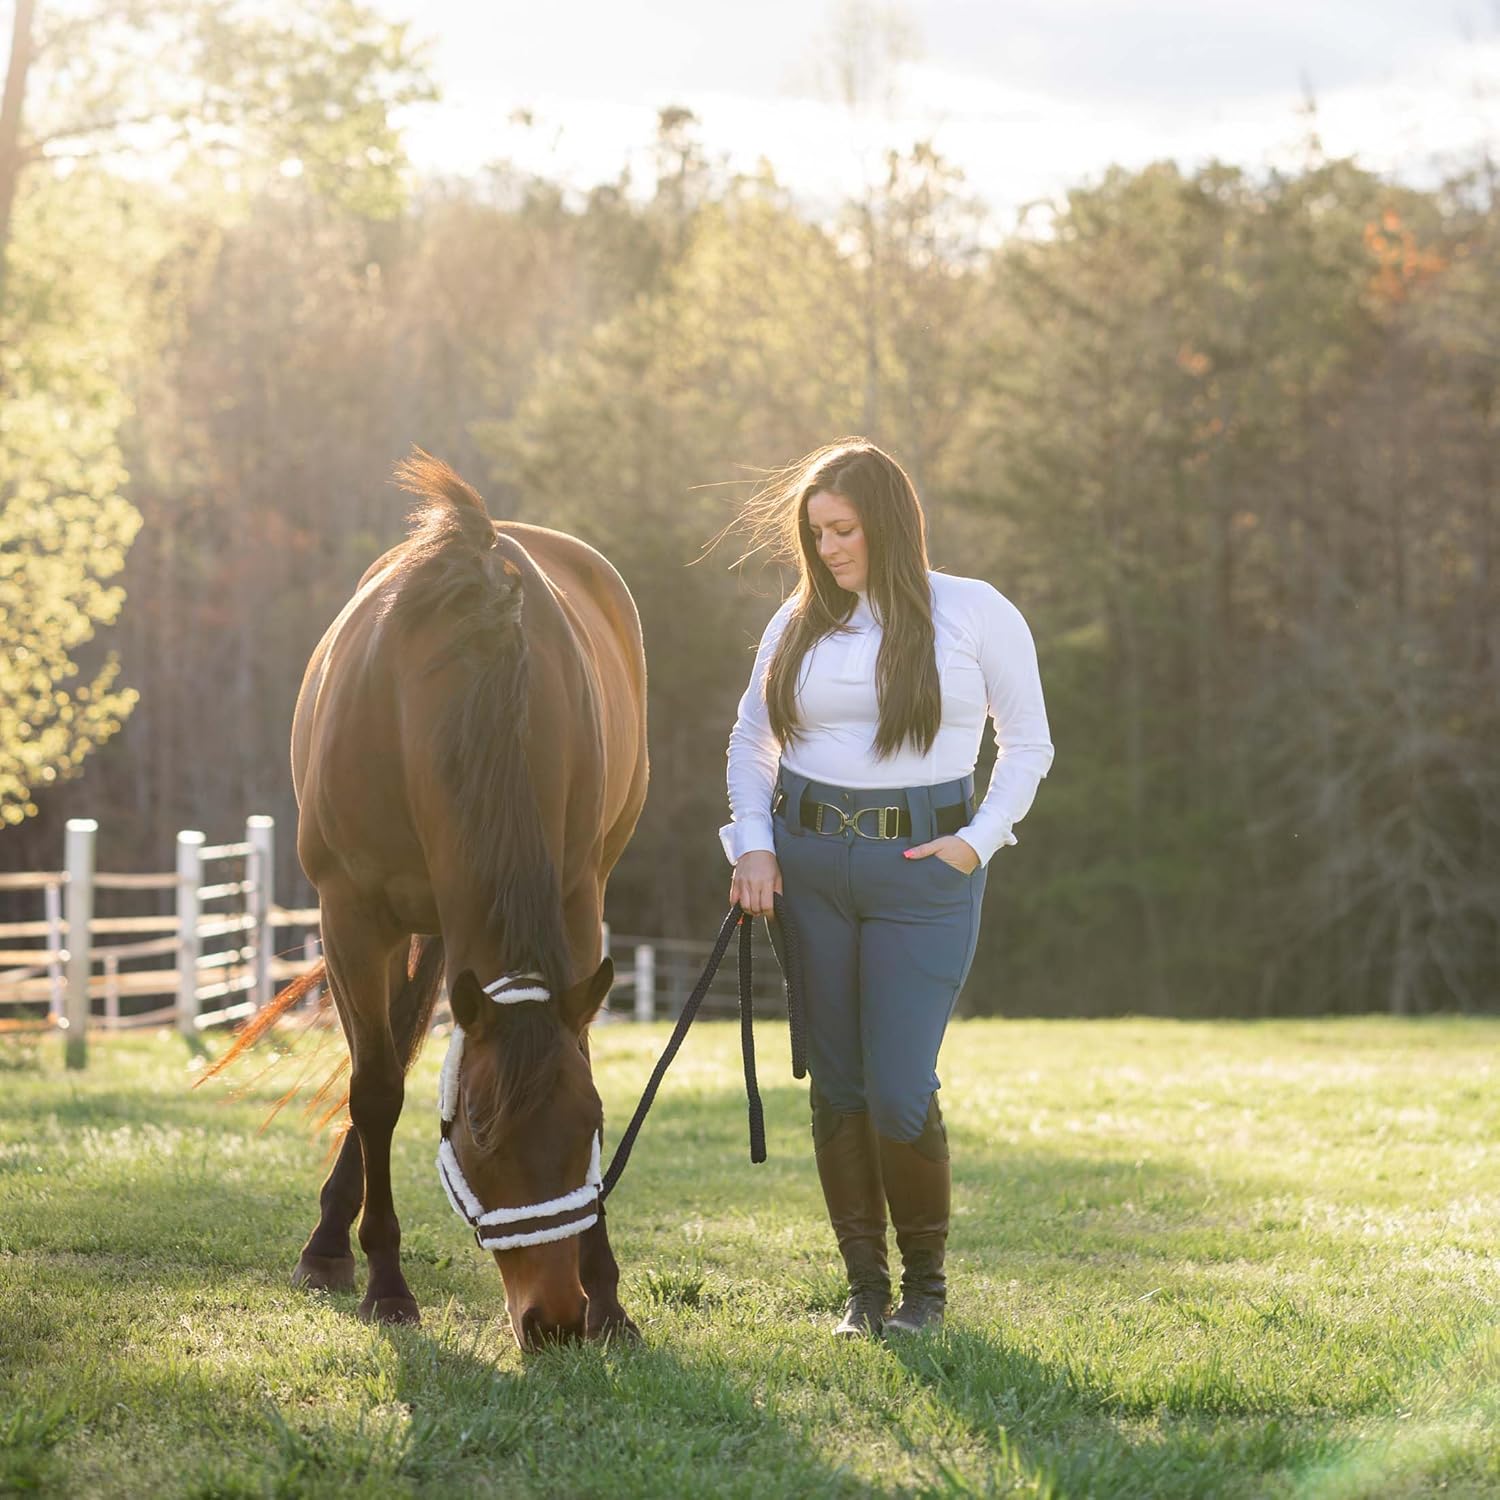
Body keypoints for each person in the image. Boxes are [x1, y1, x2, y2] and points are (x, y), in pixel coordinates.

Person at [719, 438, 1053, 1337]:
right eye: (816, 533)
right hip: (807, 870)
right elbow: (751, 740)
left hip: (922, 875)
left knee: (899, 1085)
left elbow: (1027, 743)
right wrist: (754, 846)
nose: (827, 549)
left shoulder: (974, 612)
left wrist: (977, 843)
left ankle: (926, 1295)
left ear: (890, 523)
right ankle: (866, 1293)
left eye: (843, 529)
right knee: (838, 1086)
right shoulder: (796, 624)